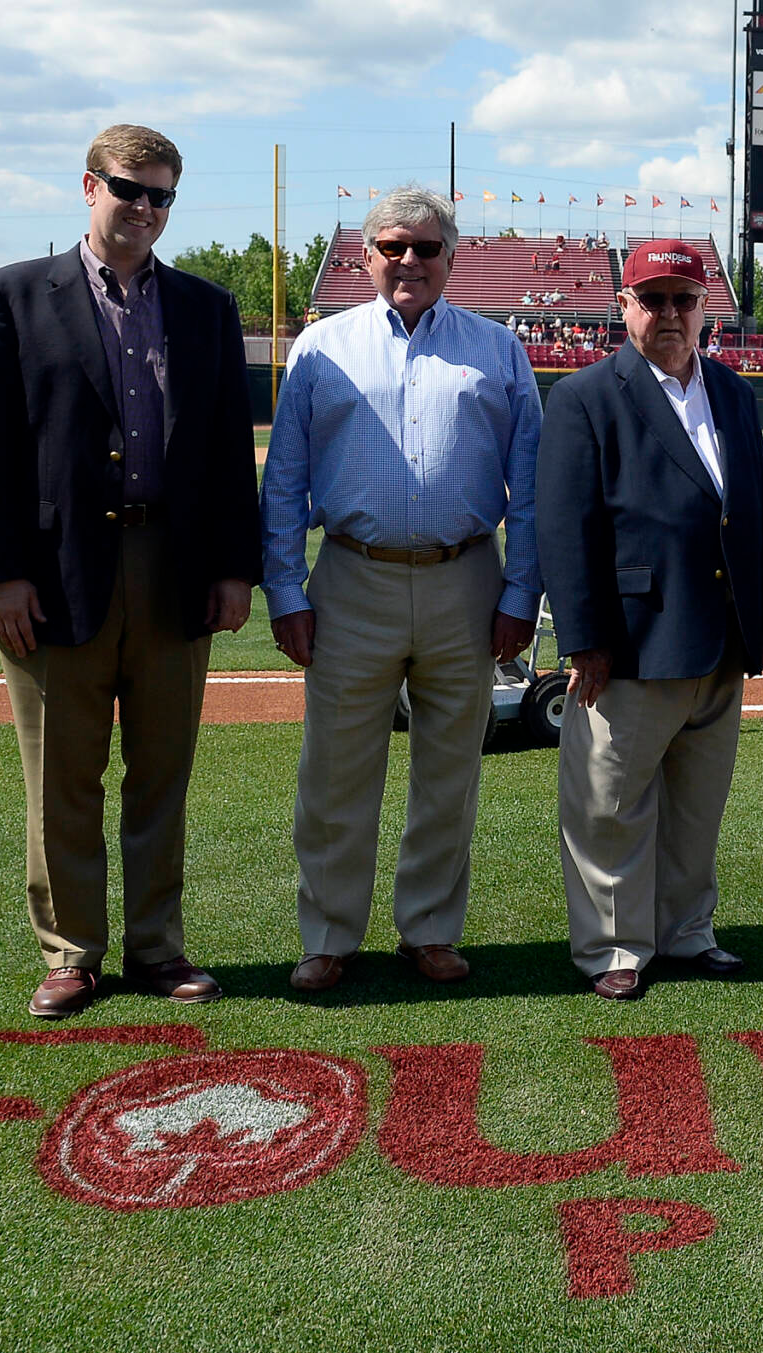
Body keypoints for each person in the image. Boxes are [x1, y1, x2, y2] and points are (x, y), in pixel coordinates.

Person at [0, 123, 261, 1019]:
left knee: (162, 771)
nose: (145, 208)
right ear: (88, 187)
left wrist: (234, 569)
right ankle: (70, 952)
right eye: (130, 188)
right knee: (62, 773)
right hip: (56, 571)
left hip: (172, 563)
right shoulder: (13, 294)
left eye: (162, 194)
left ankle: (158, 947)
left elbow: (223, 452)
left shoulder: (204, 306)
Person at [262, 185, 542, 994]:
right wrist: (285, 588)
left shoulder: (498, 348)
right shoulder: (322, 347)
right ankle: (328, 934)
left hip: (467, 576)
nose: (409, 261)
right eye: (393, 246)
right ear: (365, 256)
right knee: (335, 773)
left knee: (450, 773)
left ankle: (429, 928)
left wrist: (523, 589)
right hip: (353, 575)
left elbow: (528, 483)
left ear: (453, 258)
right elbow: (284, 480)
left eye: (426, 248)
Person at [536, 239, 763, 1001]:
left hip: (720, 632)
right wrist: (585, 639)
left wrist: (762, 615)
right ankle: (614, 945)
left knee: (696, 805)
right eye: (653, 298)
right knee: (610, 803)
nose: (669, 313)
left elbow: (744, 517)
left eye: (683, 298)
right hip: (633, 639)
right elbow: (564, 528)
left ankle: (685, 930)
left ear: (705, 308)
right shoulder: (585, 396)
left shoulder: (734, 393)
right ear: (624, 307)